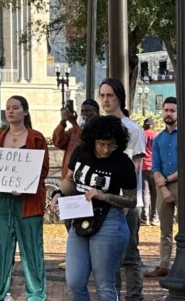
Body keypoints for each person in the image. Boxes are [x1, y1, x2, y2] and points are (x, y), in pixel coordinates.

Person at [51, 115, 137, 300]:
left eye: (111, 144)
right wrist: (58, 193)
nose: (106, 149)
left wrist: (104, 195)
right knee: (74, 280)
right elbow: (69, 179)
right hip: (80, 216)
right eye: (101, 144)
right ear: (92, 141)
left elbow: (131, 200)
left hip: (109, 218)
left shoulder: (122, 162)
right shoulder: (81, 151)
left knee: (104, 283)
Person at [0, 95, 50, 301]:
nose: (10, 111)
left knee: (31, 250)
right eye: (8, 108)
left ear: (25, 111)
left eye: (15, 107)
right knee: (2, 249)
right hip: (1, 201)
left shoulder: (36, 138)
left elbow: (43, 170)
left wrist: (25, 186)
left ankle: (36, 295)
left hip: (28, 202)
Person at [98, 78, 146, 301]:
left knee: (129, 254)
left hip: (126, 201)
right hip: (101, 200)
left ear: (119, 98)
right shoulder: (98, 127)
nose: (106, 100)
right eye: (103, 95)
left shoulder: (133, 129)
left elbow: (135, 167)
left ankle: (134, 297)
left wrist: (124, 200)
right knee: (108, 258)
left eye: (110, 96)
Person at [52, 99, 98, 270]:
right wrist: (63, 121)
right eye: (83, 110)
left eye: (89, 111)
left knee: (87, 223)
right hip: (69, 182)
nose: (86, 114)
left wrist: (72, 121)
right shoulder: (73, 131)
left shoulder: (94, 131)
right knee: (69, 222)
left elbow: (85, 140)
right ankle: (74, 255)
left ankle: (88, 257)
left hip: (88, 186)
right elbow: (57, 141)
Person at [145, 97, 178, 278]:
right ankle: (164, 264)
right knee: (165, 230)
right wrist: (163, 186)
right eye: (166, 110)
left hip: (181, 183)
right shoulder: (158, 139)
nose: (168, 114)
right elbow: (155, 166)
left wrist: (166, 180)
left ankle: (183, 263)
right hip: (162, 185)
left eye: (172, 111)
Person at [141, 118, 158, 226]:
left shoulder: (142, 135)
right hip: (154, 167)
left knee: (145, 193)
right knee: (155, 194)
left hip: (143, 166)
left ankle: (144, 218)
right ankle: (154, 218)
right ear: (152, 125)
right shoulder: (156, 136)